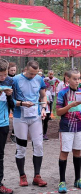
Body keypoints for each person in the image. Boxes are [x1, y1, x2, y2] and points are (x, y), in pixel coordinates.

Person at [12, 60, 47, 187]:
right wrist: (22, 103)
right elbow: (10, 99)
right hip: (20, 117)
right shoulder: (15, 80)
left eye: (35, 73)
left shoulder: (39, 79)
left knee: (38, 145)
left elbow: (43, 96)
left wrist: (43, 109)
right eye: (31, 73)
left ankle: (37, 176)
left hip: (35, 117)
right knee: (21, 147)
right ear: (26, 69)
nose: (33, 76)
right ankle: (22, 176)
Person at [56, 69, 81, 193]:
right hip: (66, 127)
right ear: (68, 79)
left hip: (80, 126)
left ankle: (78, 180)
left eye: (78, 78)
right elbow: (58, 112)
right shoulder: (62, 93)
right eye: (74, 79)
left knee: (78, 152)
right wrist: (71, 105)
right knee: (65, 152)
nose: (77, 81)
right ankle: (62, 181)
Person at [0, 59, 14, 194]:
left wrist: (10, 97)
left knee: (0, 155)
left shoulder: (9, 81)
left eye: (5, 74)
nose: (3, 78)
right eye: (0, 75)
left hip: (3, 124)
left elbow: (12, 106)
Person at [8, 62, 17, 143]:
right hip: (6, 100)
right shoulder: (5, 78)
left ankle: (13, 134)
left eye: (14, 70)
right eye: (11, 70)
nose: (13, 72)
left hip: (14, 100)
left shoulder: (17, 78)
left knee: (16, 117)